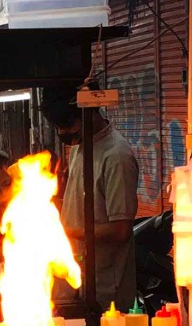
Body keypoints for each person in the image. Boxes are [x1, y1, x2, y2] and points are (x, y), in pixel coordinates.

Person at [40, 88, 140, 311]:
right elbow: (75, 203)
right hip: (75, 281)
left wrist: (69, 232)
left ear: (89, 113)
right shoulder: (80, 146)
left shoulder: (116, 157)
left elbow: (121, 230)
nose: (63, 132)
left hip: (105, 292)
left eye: (67, 125)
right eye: (58, 127)